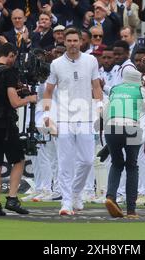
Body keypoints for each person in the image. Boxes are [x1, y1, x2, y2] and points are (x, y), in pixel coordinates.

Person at [43, 28, 103, 216]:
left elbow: (96, 86)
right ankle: (66, 201)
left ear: (81, 42)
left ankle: (76, 193)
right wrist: (47, 114)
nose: (72, 44)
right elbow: (49, 91)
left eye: (75, 40)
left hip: (85, 117)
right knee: (65, 161)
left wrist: (100, 106)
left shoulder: (91, 60)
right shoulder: (56, 64)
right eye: (69, 41)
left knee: (86, 161)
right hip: (63, 117)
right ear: (64, 42)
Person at [0, 43, 36, 216]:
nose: (15, 60)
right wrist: (30, 98)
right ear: (10, 55)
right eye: (14, 56)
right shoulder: (8, 72)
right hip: (4, 124)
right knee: (18, 160)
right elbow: (14, 103)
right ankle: (12, 198)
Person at [104, 67, 145, 219]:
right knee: (132, 166)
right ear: (139, 79)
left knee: (116, 164)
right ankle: (131, 210)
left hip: (110, 127)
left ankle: (111, 197)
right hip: (132, 128)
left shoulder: (115, 89)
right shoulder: (142, 91)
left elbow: (106, 111)